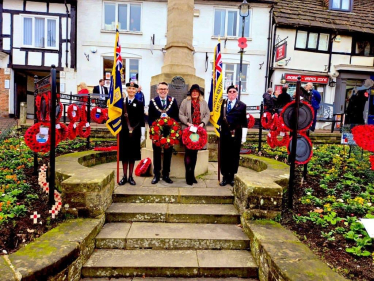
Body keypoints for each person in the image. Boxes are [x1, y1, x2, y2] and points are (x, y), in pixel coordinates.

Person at [148, 82, 179, 184]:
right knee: (156, 153)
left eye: (165, 89)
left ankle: (166, 175)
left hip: (169, 133)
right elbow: (150, 118)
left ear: (168, 90)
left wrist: (172, 126)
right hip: (157, 133)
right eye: (161, 89)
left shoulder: (172, 101)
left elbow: (176, 116)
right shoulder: (153, 102)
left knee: (168, 154)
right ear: (157, 90)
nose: (163, 91)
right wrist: (154, 128)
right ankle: (156, 175)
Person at [179, 84, 210, 185]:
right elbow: (181, 114)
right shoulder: (185, 102)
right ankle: (188, 175)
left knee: (195, 154)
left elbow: (207, 114)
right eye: (193, 91)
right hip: (188, 130)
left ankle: (192, 175)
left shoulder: (203, 103)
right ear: (191, 93)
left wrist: (202, 124)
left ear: (199, 93)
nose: (195, 93)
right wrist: (188, 123)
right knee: (188, 153)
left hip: (198, 132)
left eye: (197, 91)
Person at [218, 85, 248, 186]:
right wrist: (218, 129)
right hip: (225, 134)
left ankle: (231, 177)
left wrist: (244, 137)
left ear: (236, 93)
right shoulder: (224, 104)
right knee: (224, 155)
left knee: (234, 156)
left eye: (233, 91)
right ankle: (225, 177)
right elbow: (221, 118)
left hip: (236, 134)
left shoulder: (242, 105)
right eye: (230, 91)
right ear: (227, 93)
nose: (231, 93)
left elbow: (244, 122)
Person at [118, 81, 145, 185]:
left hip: (135, 132)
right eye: (129, 88)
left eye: (133, 89)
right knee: (124, 155)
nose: (131, 90)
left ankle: (130, 177)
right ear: (127, 89)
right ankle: (124, 176)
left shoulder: (139, 103)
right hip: (124, 132)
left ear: (136, 90)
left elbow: (141, 119)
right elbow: (117, 117)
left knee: (132, 155)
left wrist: (142, 134)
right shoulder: (121, 102)